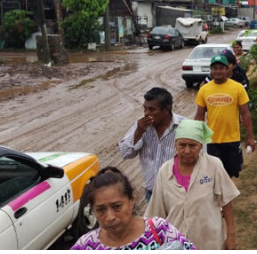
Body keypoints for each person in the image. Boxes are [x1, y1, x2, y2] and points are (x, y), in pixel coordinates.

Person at [145, 120, 240, 250]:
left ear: (201, 145)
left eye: (192, 145)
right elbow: (156, 213)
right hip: (176, 244)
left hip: (209, 241)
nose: (187, 150)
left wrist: (231, 236)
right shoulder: (165, 171)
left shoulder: (213, 165)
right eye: (182, 145)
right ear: (175, 145)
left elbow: (227, 201)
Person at [71, 167, 195, 250]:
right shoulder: (86, 245)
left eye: (117, 206)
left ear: (131, 201)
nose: (110, 217)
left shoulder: (159, 230)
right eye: (101, 210)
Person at [118, 88, 185, 202]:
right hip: (152, 195)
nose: (146, 114)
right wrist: (138, 132)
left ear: (166, 110)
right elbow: (125, 153)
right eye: (145, 108)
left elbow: (201, 159)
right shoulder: (141, 125)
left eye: (152, 110)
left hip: (178, 195)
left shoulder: (184, 126)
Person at [194, 55, 256, 178]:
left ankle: (225, 194)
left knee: (232, 171)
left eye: (221, 68)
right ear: (211, 70)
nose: (218, 71)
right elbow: (199, 116)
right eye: (215, 68)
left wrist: (250, 137)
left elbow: (245, 113)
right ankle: (219, 195)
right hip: (212, 140)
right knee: (214, 173)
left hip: (232, 139)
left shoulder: (238, 88)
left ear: (228, 69)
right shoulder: (204, 90)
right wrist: (196, 137)